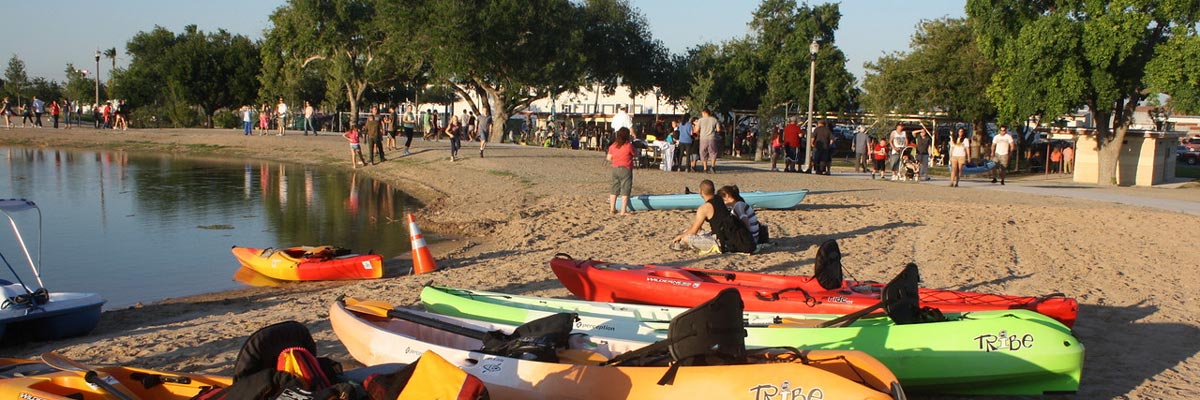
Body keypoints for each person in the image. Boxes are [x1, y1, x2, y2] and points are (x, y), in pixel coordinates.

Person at [670, 179, 755, 254]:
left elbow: (693, 231)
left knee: (687, 238)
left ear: (701, 191)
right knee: (690, 232)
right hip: (728, 234)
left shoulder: (704, 208)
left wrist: (681, 236)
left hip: (720, 242)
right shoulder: (719, 199)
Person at [606, 127, 636, 215]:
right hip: (626, 168)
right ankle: (623, 210)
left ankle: (612, 209)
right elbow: (635, 154)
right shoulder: (628, 146)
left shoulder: (613, 145)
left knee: (614, 188)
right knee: (625, 189)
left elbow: (608, 158)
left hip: (615, 168)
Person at [696, 109, 721, 173]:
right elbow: (718, 130)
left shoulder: (700, 120)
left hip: (703, 138)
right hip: (712, 138)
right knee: (713, 152)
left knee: (703, 152)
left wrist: (699, 134)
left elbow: (696, 130)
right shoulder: (714, 120)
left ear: (704, 113)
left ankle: (705, 168)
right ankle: (712, 166)